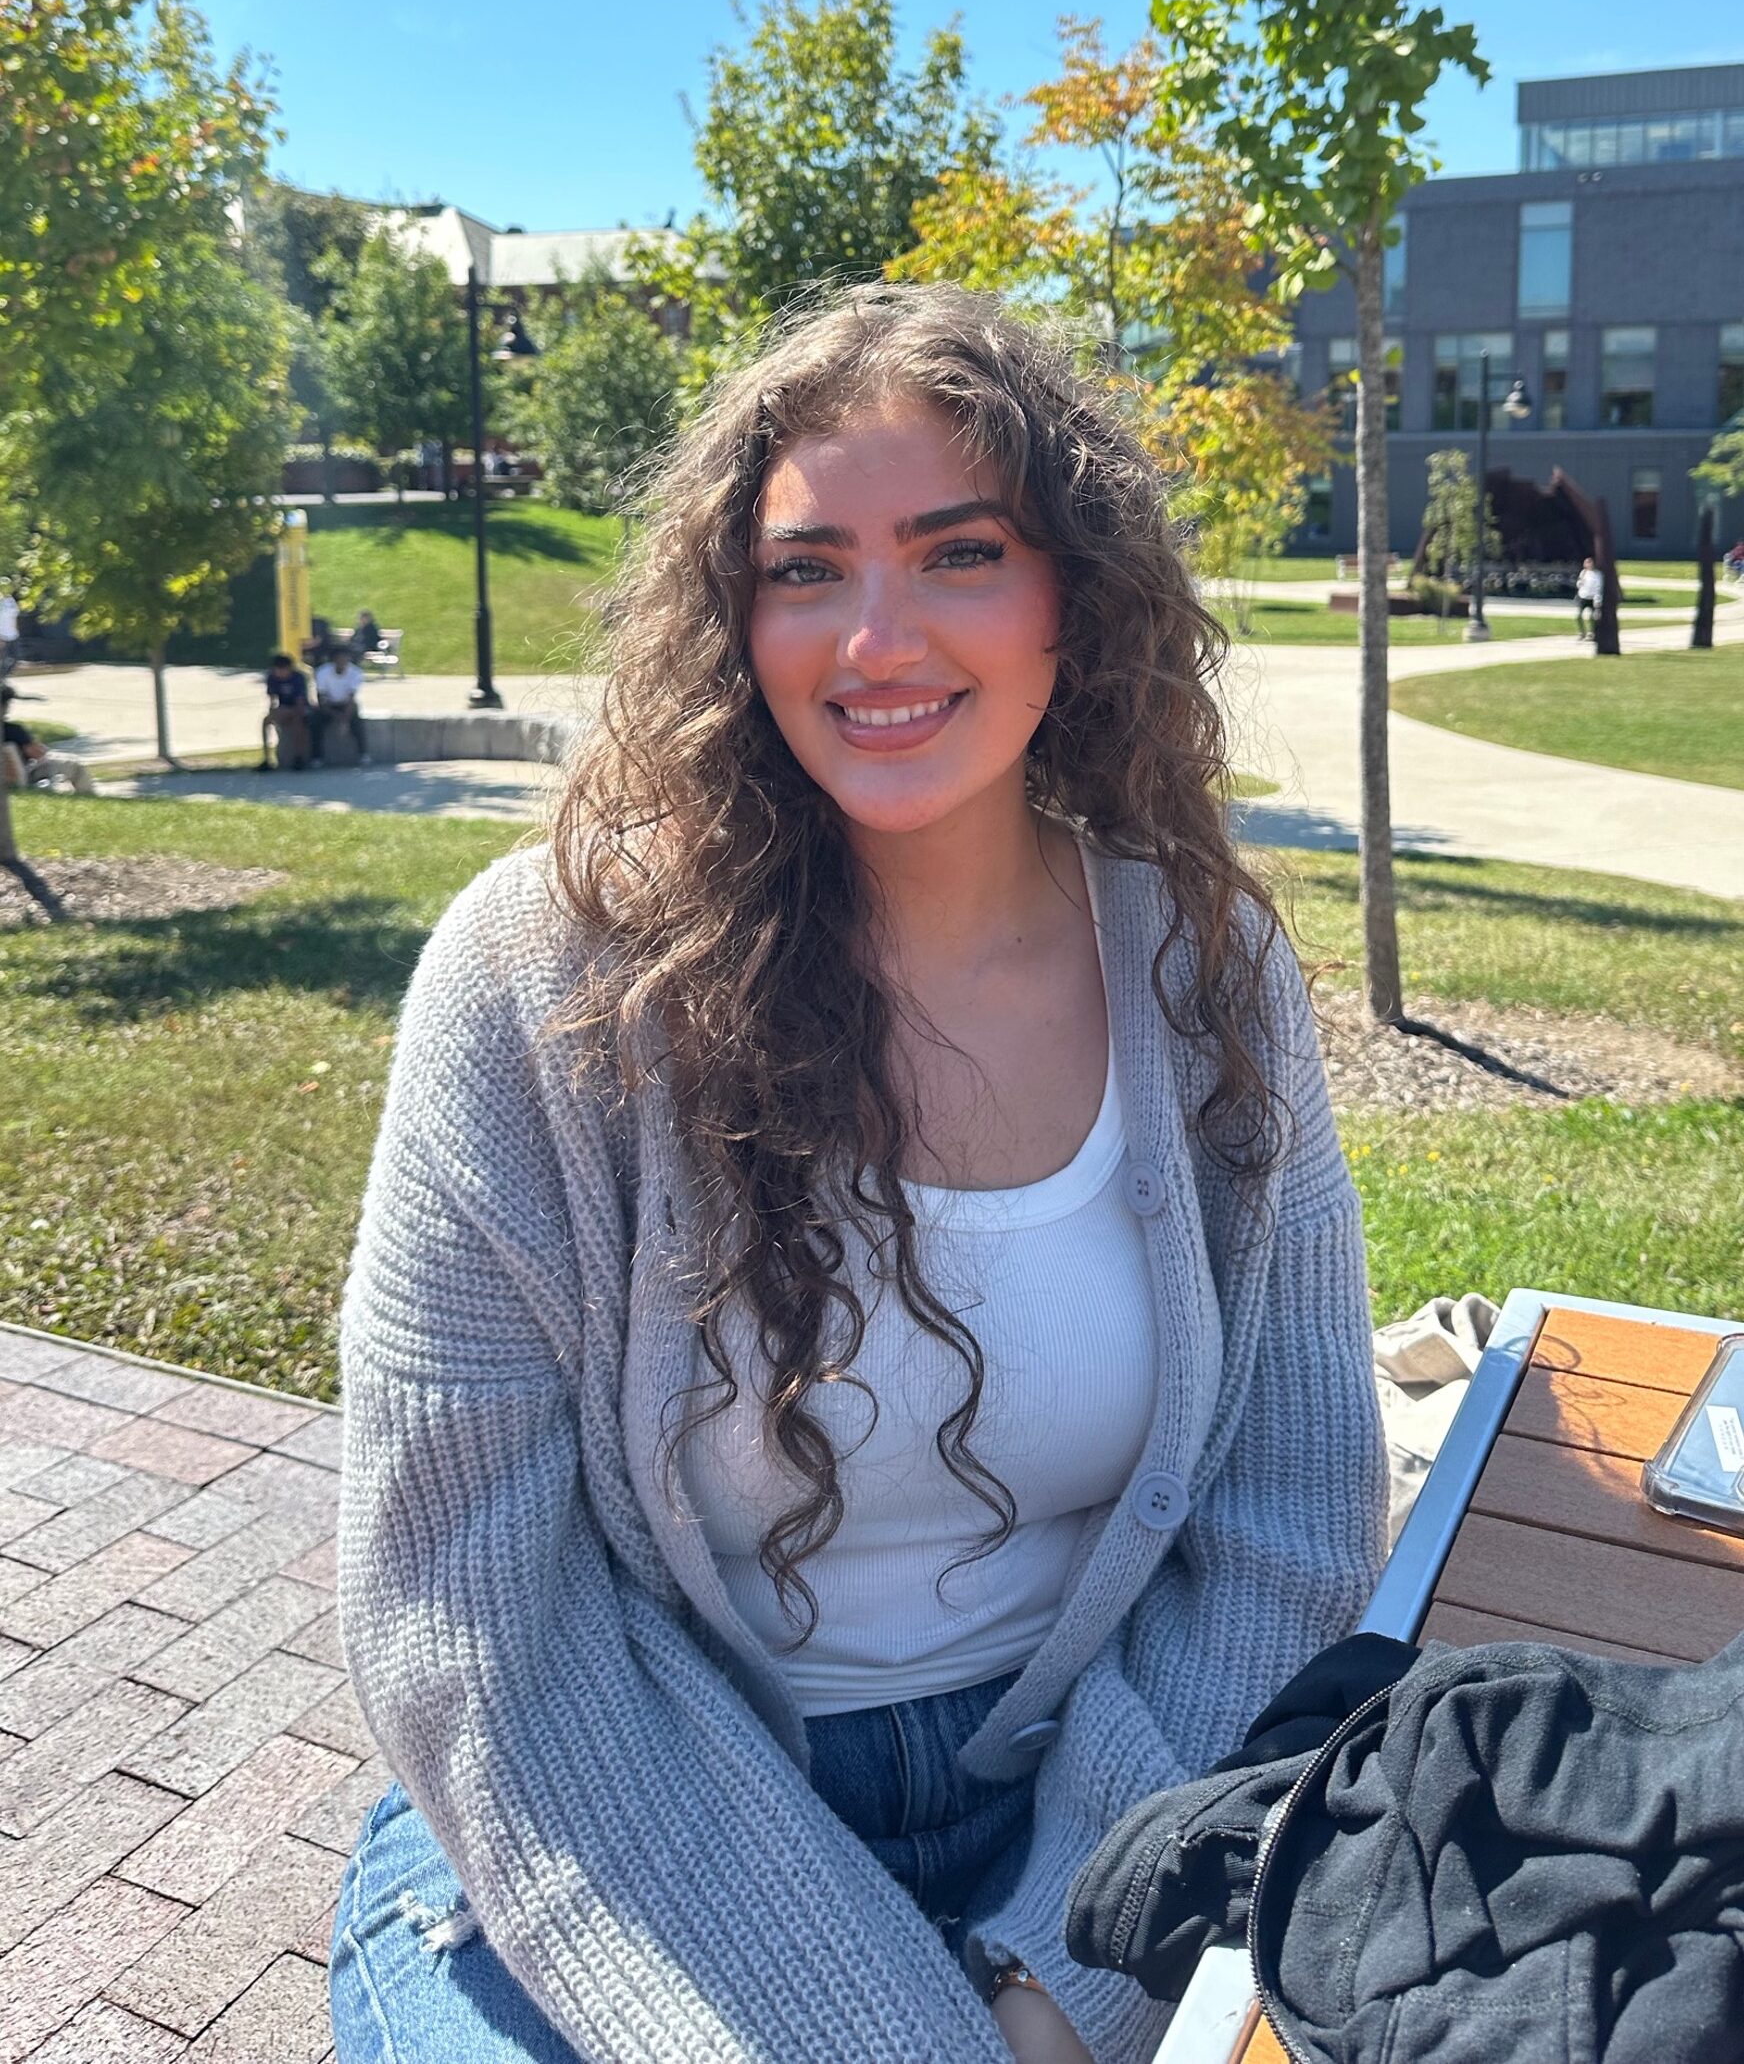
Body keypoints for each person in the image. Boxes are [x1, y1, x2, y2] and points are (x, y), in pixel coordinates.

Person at [331, 286, 1386, 2064]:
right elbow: (474, 1624)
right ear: (732, 620)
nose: (872, 639)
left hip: (1091, 1800)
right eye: (806, 570)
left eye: (957, 553)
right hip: (607, 1825)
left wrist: (1068, 1970)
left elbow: (1282, 1532)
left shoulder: (1205, 979)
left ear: (1075, 598)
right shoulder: (533, 987)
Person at [1, 684, 95, 794]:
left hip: (8, 778)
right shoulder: (13, 730)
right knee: (76, 766)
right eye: (7, 703)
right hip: (25, 775)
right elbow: (38, 754)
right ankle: (88, 795)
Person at [310, 647, 369, 765]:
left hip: (346, 704)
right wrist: (336, 715)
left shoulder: (356, 673)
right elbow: (321, 697)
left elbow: (351, 697)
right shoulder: (322, 672)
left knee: (357, 722)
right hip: (328, 704)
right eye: (339, 659)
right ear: (333, 660)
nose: (342, 662)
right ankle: (317, 757)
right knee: (315, 723)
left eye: (345, 659)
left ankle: (363, 754)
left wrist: (345, 719)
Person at [261, 653, 312, 771]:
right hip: (282, 708)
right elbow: (273, 699)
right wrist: (274, 713)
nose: (280, 672)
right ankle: (267, 758)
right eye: (277, 669)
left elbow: (300, 702)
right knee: (265, 721)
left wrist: (290, 712)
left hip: (300, 707)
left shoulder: (298, 678)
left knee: (297, 722)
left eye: (282, 669)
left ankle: (298, 758)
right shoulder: (272, 678)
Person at [1575, 554, 1605, 639]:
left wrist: (1597, 598)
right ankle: (1582, 632)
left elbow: (1598, 587)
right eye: (1586, 563)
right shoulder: (1583, 572)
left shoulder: (1597, 574)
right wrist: (1579, 584)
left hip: (1592, 598)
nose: (1588, 564)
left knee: (1592, 617)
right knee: (1578, 616)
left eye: (1589, 562)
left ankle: (1592, 633)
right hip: (1583, 596)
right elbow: (1579, 584)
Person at [0, 588, 18, 681]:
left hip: (12, 635)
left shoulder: (10, 600)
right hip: (2, 635)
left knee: (13, 659)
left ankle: (3, 679)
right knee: (3, 659)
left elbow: (14, 616)